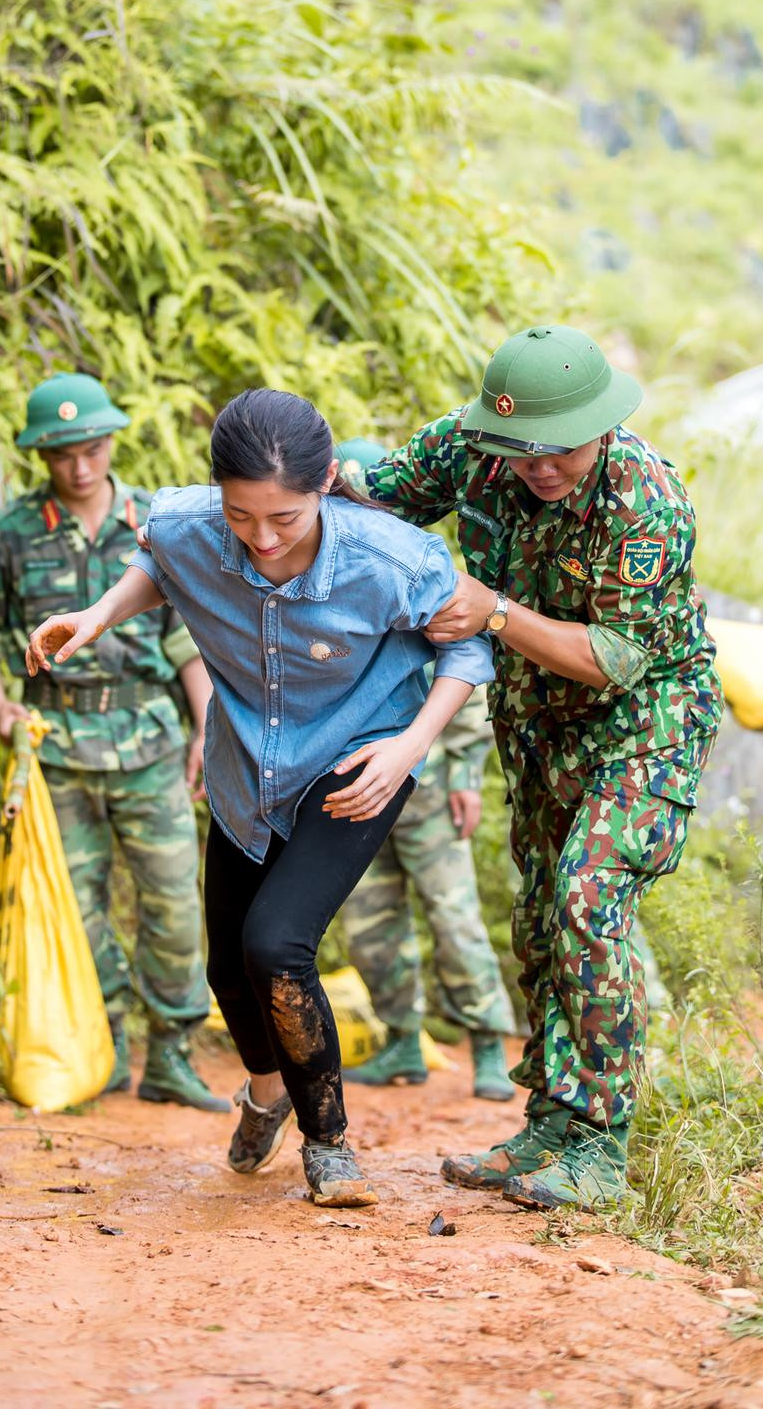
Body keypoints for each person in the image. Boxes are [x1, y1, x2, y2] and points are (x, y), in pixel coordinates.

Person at [24, 389, 495, 1209]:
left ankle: (329, 1142)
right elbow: (162, 563)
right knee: (227, 970)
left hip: (357, 762)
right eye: (242, 516)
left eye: (286, 517)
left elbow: (470, 647)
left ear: (323, 488)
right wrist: (98, 615)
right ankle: (267, 1091)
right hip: (247, 763)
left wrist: (411, 746)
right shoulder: (186, 523)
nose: (264, 537)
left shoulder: (390, 558)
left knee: (277, 946)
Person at [363, 326, 723, 1208]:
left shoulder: (646, 502)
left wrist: (491, 612)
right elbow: (368, 498)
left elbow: (613, 656)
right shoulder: (470, 448)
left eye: (559, 450)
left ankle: (601, 1145)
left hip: (645, 719)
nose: (540, 468)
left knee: (587, 902)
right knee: (537, 918)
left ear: (599, 427)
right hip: (537, 723)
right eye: (520, 451)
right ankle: (551, 1125)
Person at [0, 372, 228, 1113]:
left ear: (111, 443)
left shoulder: (154, 523)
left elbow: (185, 637)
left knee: (171, 902)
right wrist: (1, 704)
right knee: (79, 905)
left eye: (93, 448)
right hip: (59, 743)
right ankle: (101, 1049)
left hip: (149, 741)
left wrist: (205, 726)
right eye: (63, 453)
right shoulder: (10, 535)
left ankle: (172, 1053)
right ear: (42, 455)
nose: (80, 466)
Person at [334, 441, 518, 1102]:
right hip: (349, 778)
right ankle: (402, 1042)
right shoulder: (324, 577)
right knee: (369, 916)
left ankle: (489, 1045)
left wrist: (467, 770)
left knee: (453, 912)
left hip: (426, 779)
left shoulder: (424, 574)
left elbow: (464, 672)